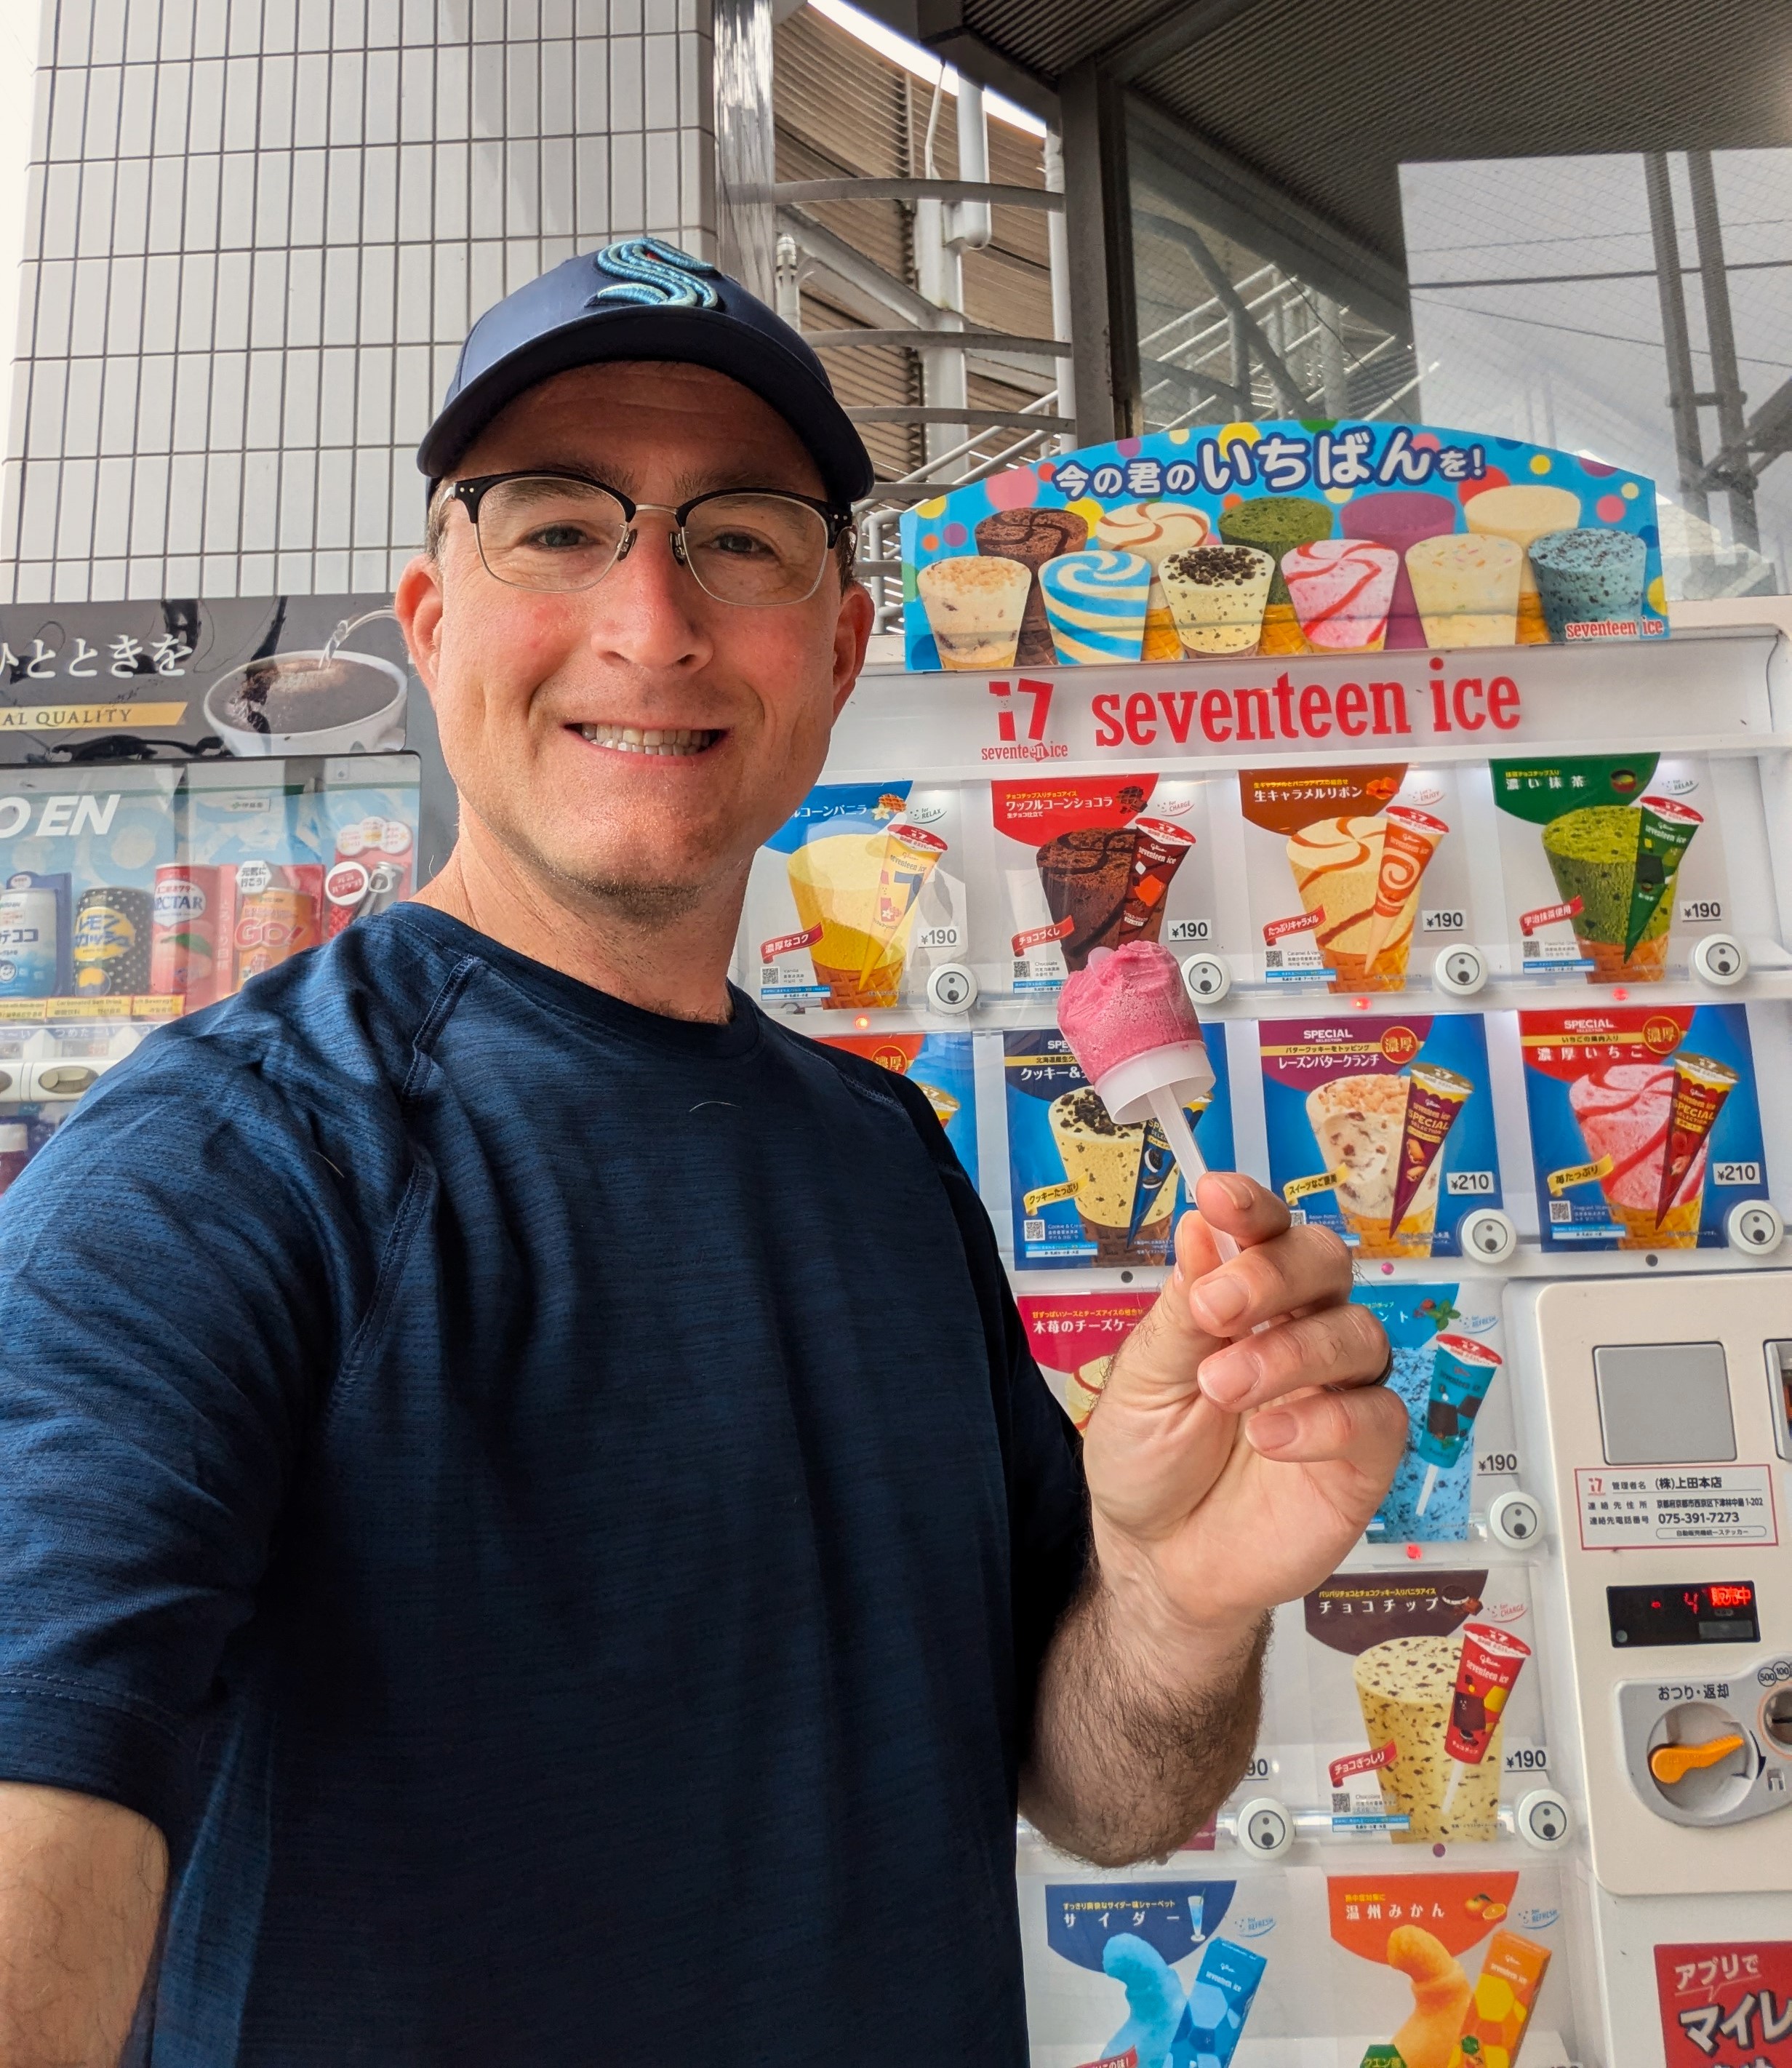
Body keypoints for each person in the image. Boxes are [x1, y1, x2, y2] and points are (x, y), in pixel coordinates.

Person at [0, 239, 1400, 2066]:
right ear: (429, 625)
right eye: (558, 527)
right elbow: (44, 1793)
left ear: (837, 654)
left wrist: (1177, 1592)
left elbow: (1098, 1794)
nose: (651, 622)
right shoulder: (218, 1168)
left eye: (737, 537)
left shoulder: (884, 1158)